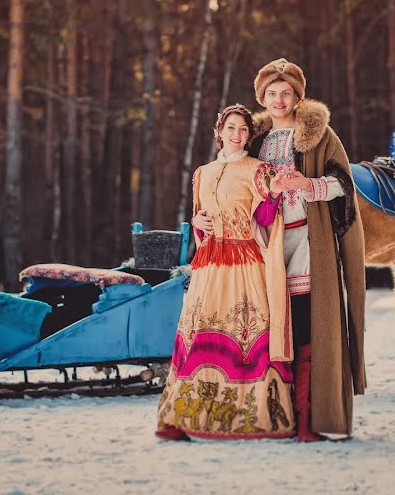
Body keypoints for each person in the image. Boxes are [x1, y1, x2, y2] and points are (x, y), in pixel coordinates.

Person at [155, 103, 294, 440]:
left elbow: (264, 220)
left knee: (244, 335)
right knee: (196, 334)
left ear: (249, 135)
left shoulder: (258, 170)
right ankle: (187, 417)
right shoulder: (202, 173)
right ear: (219, 132)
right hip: (209, 265)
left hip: (244, 264)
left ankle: (250, 417)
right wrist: (196, 222)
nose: (237, 135)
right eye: (231, 128)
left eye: (243, 130)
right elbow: (202, 219)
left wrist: (275, 193)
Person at [248, 58, 366, 441]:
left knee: (307, 331)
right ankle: (273, 418)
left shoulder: (319, 135)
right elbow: (234, 187)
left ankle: (307, 419)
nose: (279, 99)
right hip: (266, 246)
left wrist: (306, 184)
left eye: (286, 93)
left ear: (297, 96)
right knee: (272, 333)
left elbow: (344, 186)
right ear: (262, 97)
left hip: (308, 246)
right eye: (271, 93)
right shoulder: (253, 140)